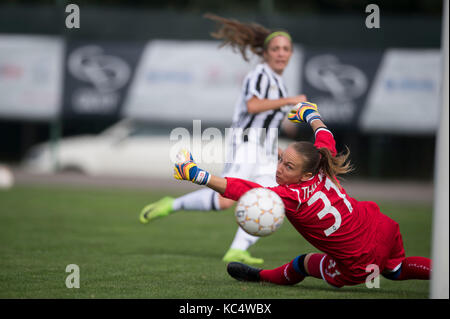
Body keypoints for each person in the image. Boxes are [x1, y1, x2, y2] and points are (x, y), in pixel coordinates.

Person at [172, 101, 432, 288]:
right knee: (395, 270)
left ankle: (259, 276)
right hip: (383, 227)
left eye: (288, 166)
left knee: (302, 264)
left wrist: (196, 174)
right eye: (282, 160)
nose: (279, 169)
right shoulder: (322, 161)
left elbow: (243, 189)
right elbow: (324, 134)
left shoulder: (291, 195)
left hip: (359, 262)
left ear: (305, 174)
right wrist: (311, 114)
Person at [139, 13, 307, 265]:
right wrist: (290, 101)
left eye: (286, 49)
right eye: (276, 49)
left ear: (291, 53)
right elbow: (252, 106)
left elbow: (269, 122)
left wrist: (284, 137)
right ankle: (171, 204)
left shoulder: (278, 85)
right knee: (225, 199)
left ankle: (237, 250)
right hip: (247, 144)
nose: (281, 53)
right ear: (265, 53)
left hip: (265, 150)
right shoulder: (260, 75)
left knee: (270, 198)